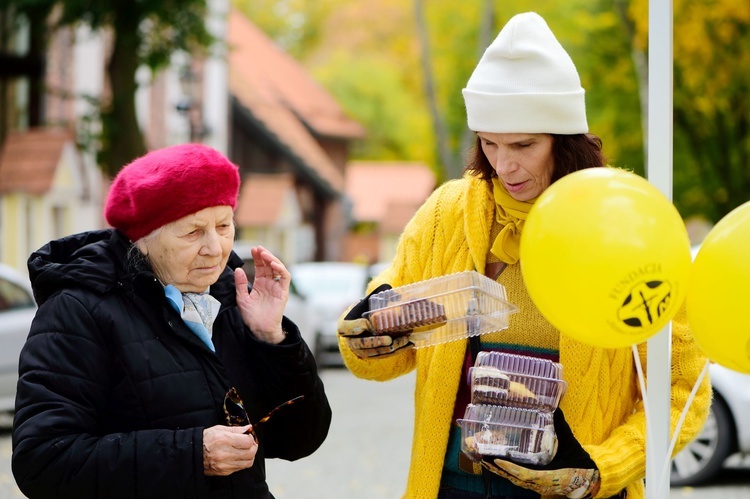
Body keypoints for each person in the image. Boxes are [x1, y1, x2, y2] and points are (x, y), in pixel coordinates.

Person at [337, 12, 711, 499]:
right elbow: (377, 362)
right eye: (489, 144)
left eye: (523, 145)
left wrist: (599, 470)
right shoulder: (447, 213)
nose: (504, 164)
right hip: (454, 485)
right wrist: (367, 332)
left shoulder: (625, 220)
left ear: (567, 140)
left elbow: (683, 392)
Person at [12, 144, 332, 498]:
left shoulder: (230, 298)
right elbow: (41, 462)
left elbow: (300, 439)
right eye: (193, 232)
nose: (215, 247)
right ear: (143, 240)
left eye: (224, 225)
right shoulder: (78, 310)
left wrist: (271, 337)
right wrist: (193, 454)